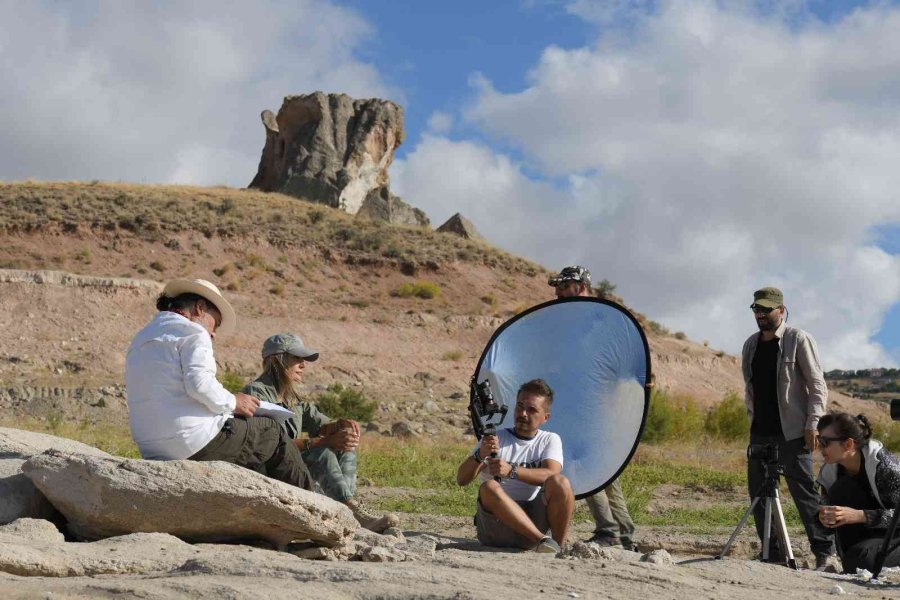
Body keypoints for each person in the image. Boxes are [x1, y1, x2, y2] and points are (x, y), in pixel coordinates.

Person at [125, 279, 310, 491]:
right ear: (200, 307)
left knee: (248, 439)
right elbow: (199, 385)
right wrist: (235, 402)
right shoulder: (194, 332)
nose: (213, 333)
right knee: (271, 431)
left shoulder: (141, 338)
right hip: (189, 442)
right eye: (216, 323)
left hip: (150, 447)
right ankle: (310, 502)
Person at [242, 332, 398, 533]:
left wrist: (340, 426)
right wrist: (321, 442)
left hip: (289, 465)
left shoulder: (291, 396)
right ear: (277, 360)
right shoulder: (256, 393)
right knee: (321, 452)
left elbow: (320, 422)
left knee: (344, 445)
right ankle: (352, 513)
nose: (303, 365)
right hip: (268, 468)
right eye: (297, 358)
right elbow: (271, 446)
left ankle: (349, 507)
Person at [741, 286, 838, 569]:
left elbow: (817, 385)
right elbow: (751, 389)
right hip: (760, 431)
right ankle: (772, 553)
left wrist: (813, 423)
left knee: (805, 493)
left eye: (765, 309)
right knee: (759, 493)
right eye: (756, 309)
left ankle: (825, 552)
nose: (760, 314)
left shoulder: (798, 339)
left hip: (793, 432)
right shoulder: (750, 345)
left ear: (781, 310)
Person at [549, 265, 637, 550]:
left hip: (591, 405)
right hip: (591, 404)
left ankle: (609, 530)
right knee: (605, 470)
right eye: (558, 287)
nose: (559, 292)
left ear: (582, 286)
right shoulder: (591, 319)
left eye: (565, 286)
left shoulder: (593, 322)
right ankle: (623, 532)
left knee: (584, 466)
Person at [456, 379, 574, 553]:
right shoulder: (495, 439)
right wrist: (480, 455)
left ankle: (558, 547)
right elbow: (461, 479)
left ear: (545, 417)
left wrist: (512, 471)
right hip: (497, 529)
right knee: (489, 487)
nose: (523, 414)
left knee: (561, 483)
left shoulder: (549, 439)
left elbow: (551, 474)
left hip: (534, 517)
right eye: (520, 407)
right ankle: (542, 541)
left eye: (532, 410)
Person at [816, 412, 900, 573]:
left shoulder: (885, 467)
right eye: (819, 440)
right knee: (857, 559)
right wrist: (824, 518)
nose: (820, 448)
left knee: (861, 558)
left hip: (895, 538)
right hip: (868, 542)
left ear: (848, 444)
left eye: (825, 442)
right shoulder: (830, 472)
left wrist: (861, 515)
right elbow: (824, 516)